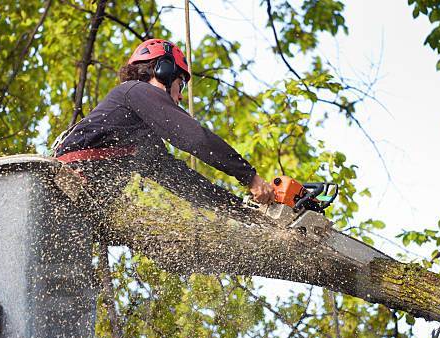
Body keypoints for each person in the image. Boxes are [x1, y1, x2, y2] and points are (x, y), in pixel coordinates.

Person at [53, 38, 275, 215]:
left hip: (76, 206)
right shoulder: (134, 90)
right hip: (62, 186)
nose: (179, 96)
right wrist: (250, 177)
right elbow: (195, 138)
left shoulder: (140, 139)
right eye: (180, 84)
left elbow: (184, 182)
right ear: (163, 71)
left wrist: (243, 211)